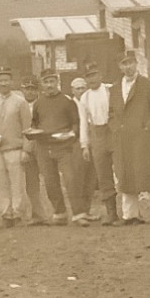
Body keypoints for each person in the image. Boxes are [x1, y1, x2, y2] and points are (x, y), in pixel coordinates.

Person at [109, 51, 150, 225]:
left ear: (136, 63)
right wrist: (116, 128)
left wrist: (147, 128)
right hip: (123, 139)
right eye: (123, 64)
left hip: (143, 138)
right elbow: (111, 113)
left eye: (130, 63)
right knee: (126, 175)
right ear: (120, 67)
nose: (127, 67)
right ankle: (130, 215)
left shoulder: (148, 85)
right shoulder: (114, 88)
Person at [31, 69, 81, 225]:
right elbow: (34, 123)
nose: (49, 85)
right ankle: (60, 213)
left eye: (52, 81)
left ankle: (78, 214)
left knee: (70, 179)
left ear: (57, 82)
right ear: (42, 84)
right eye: (46, 82)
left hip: (63, 146)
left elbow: (75, 123)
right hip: (44, 147)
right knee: (50, 181)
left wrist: (71, 133)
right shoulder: (38, 103)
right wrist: (33, 132)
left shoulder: (67, 101)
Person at [0, 67, 31, 227]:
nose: (3, 83)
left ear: (11, 82)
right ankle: (5, 214)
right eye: (0, 80)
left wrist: (26, 150)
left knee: (17, 183)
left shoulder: (20, 102)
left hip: (15, 148)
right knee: (0, 183)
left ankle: (17, 214)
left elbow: (27, 129)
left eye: (6, 80)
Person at [77, 62, 118, 225]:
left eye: (94, 75)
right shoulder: (84, 97)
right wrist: (84, 145)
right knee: (103, 175)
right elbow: (83, 123)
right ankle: (111, 213)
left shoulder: (110, 90)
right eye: (88, 76)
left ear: (100, 75)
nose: (92, 79)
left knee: (122, 170)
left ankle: (130, 212)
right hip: (97, 136)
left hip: (113, 133)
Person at [19, 78, 52, 225]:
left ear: (37, 91)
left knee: (50, 179)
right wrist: (25, 148)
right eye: (27, 88)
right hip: (26, 146)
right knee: (31, 183)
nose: (30, 92)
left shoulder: (43, 104)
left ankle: (55, 212)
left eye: (33, 89)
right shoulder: (19, 105)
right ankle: (38, 214)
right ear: (22, 90)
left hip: (43, 145)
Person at [67, 75, 94, 223]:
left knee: (90, 177)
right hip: (76, 143)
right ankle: (79, 211)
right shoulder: (71, 104)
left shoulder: (90, 99)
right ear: (72, 90)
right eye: (77, 88)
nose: (81, 91)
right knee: (78, 177)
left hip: (93, 141)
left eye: (83, 87)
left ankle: (87, 210)